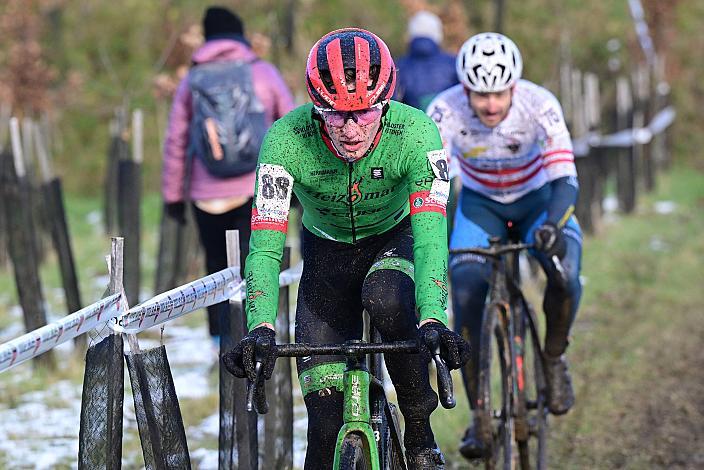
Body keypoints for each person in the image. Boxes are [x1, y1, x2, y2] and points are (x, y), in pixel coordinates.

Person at [221, 28, 470, 470]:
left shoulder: (416, 134)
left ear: (386, 104)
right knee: (322, 426)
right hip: (326, 253)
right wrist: (259, 327)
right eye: (336, 116)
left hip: (396, 239)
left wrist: (434, 317)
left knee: (387, 297)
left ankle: (418, 425)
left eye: (365, 114)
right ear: (316, 110)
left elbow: (431, 235)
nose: (352, 129)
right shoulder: (285, 140)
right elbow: (263, 245)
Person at [426, 32, 583, 459]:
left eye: (499, 93)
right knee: (465, 289)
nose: (491, 105)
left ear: (515, 86)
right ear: (465, 89)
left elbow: (565, 179)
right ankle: (479, 416)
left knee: (565, 273)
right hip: (481, 208)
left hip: (538, 203)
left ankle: (552, 358)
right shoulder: (444, 110)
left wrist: (552, 225)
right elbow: (432, 186)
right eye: (480, 94)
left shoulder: (540, 105)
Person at [161, 6, 294, 347]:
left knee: (216, 269)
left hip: (206, 194)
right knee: (260, 261)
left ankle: (222, 345)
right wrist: (296, 186)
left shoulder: (192, 80)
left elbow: (176, 139)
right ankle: (262, 336)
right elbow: (292, 128)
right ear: (240, 34)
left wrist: (173, 196)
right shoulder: (262, 72)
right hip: (257, 188)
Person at [394, 10, 459, 111]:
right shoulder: (454, 64)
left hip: (412, 125)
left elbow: (393, 106)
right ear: (438, 34)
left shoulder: (398, 67)